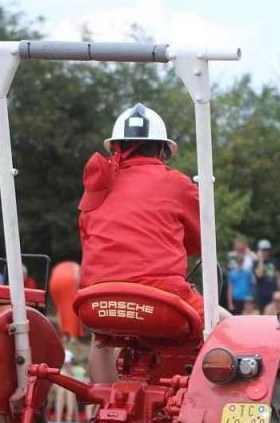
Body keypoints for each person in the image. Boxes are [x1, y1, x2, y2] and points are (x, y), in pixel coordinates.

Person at [77, 103, 209, 382]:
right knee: (223, 325)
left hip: (97, 301)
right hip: (159, 302)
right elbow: (201, 240)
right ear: (163, 151)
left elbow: (88, 240)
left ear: (116, 148)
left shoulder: (98, 186)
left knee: (101, 336)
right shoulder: (177, 183)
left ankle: (103, 407)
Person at [49, 260, 84, 342]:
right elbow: (77, 276)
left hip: (54, 283)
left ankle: (64, 336)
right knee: (73, 309)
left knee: (60, 310)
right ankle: (73, 337)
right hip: (69, 281)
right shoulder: (76, 265)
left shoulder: (60, 266)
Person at [253, 239, 280, 311]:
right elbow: (259, 275)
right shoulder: (255, 263)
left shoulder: (274, 261)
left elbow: (279, 278)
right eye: (262, 250)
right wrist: (261, 260)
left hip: (274, 294)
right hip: (261, 294)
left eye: (266, 250)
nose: (265, 252)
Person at [226, 246, 255, 314]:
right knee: (237, 317)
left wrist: (252, 299)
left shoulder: (248, 273)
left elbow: (252, 286)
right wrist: (230, 303)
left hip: (247, 300)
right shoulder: (232, 273)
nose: (240, 263)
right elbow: (230, 288)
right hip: (236, 299)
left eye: (241, 261)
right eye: (238, 261)